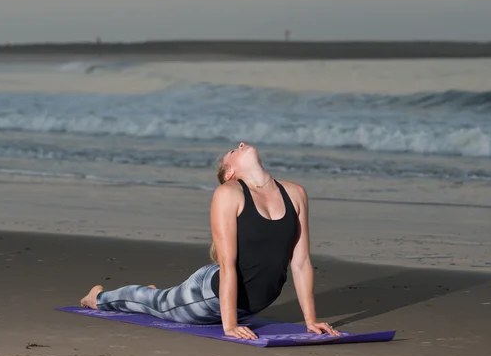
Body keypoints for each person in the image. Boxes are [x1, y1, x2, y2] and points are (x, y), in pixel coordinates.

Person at [80, 142, 340, 340]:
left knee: (159, 299)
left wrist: (311, 320)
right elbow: (228, 264)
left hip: (247, 308)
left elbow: (301, 262)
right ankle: (98, 297)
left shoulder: (295, 193)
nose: (240, 145)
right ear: (229, 173)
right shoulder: (228, 193)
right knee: (152, 304)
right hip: (208, 296)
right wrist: (229, 325)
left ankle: (157, 294)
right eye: (232, 151)